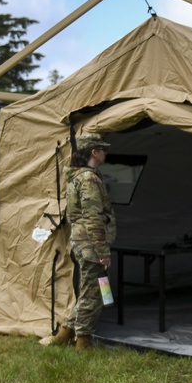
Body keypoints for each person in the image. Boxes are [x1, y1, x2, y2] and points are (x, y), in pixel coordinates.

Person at [43, 132, 117, 349]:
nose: (105, 152)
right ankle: (83, 342)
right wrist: (103, 252)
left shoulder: (78, 177)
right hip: (91, 246)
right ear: (94, 152)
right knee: (93, 296)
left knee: (89, 291)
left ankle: (64, 334)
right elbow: (93, 217)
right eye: (102, 149)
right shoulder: (89, 179)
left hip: (81, 243)